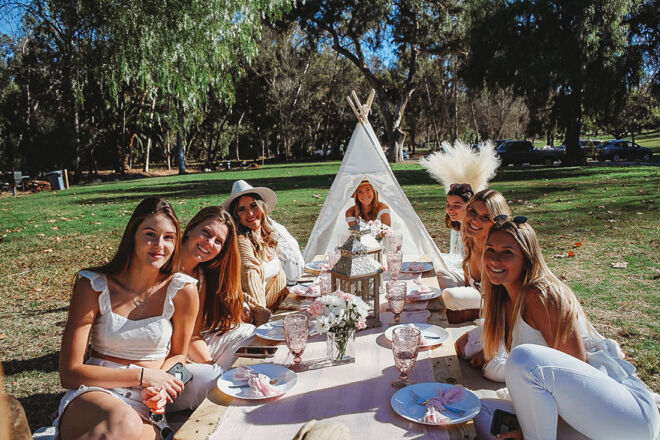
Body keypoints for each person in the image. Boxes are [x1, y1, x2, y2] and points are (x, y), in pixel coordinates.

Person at [474, 216, 659, 440]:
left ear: (526, 258)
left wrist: (526, 433)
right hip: (580, 412)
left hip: (626, 415)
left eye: (507, 252)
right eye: (490, 250)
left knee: (523, 359)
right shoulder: (503, 299)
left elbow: (577, 371)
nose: (495, 259)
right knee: (481, 411)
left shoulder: (542, 295)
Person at [55, 197, 199, 439]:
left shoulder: (184, 290)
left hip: (147, 400)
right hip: (95, 391)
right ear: (133, 235)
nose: (159, 245)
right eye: (150, 234)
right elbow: (69, 374)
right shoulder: (93, 284)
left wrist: (163, 387)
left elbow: (180, 356)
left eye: (169, 237)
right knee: (124, 426)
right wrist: (142, 375)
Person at [180, 206, 256, 370]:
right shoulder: (163, 265)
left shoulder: (199, 276)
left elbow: (193, 336)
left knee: (249, 333)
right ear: (191, 229)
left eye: (218, 241)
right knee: (203, 380)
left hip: (184, 349)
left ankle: (221, 377)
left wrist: (211, 366)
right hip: (158, 356)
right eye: (206, 233)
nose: (209, 242)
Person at [223, 180, 289, 326]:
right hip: (253, 315)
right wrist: (263, 321)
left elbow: (276, 278)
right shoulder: (242, 241)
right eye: (242, 209)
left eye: (254, 206)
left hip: (273, 308)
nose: (250, 213)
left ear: (261, 206)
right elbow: (250, 278)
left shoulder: (265, 234)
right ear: (236, 215)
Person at [420, 140, 500, 259]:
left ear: (469, 207)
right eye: (448, 204)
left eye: (457, 205)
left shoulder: (477, 232)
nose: (450, 209)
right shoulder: (460, 227)